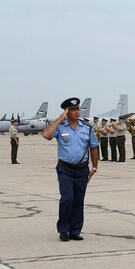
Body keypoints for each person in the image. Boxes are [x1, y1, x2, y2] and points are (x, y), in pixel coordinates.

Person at [42, 98, 100, 241]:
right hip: (65, 169)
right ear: (67, 112)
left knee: (79, 201)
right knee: (67, 198)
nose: (76, 112)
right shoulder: (60, 127)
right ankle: (63, 230)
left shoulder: (86, 128)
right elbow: (46, 135)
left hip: (82, 170)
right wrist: (60, 118)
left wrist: (94, 167)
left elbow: (93, 147)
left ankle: (75, 231)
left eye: (77, 109)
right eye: (73, 110)